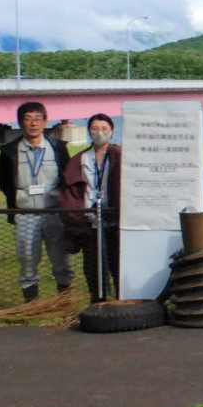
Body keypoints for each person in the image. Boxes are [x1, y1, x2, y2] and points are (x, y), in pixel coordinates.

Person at [0, 100, 72, 302]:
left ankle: (63, 300)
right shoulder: (9, 152)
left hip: (55, 213)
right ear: (20, 123)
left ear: (45, 122)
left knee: (60, 258)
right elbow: (4, 183)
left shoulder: (58, 148)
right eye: (27, 119)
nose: (33, 123)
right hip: (25, 213)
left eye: (38, 119)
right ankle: (31, 304)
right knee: (27, 257)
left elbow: (67, 178)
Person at [58, 114, 121, 301]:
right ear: (88, 132)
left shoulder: (120, 155)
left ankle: (122, 302)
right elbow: (70, 193)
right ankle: (98, 302)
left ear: (112, 131)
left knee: (118, 265)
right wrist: (77, 219)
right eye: (95, 129)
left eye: (104, 129)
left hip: (115, 222)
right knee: (93, 267)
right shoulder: (80, 159)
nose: (100, 133)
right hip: (90, 223)